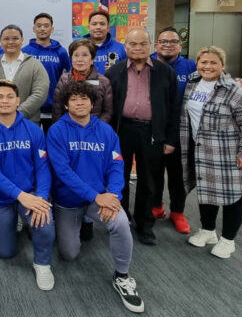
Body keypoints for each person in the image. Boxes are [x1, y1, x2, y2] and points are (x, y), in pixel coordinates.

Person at [48, 81, 145, 313]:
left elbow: (115, 165)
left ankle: (122, 276)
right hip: (68, 201)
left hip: (99, 198)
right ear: (66, 104)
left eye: (84, 99)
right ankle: (79, 223)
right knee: (69, 254)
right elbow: (63, 172)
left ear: (93, 103)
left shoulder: (105, 130)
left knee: (121, 222)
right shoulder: (57, 131)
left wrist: (112, 195)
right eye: (74, 99)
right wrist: (96, 195)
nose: (79, 103)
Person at [0, 79, 55, 291]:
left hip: (30, 194)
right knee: (5, 252)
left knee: (45, 223)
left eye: (10, 97)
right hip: (1, 199)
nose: (5, 101)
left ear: (18, 101)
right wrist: (21, 195)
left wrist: (41, 197)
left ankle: (42, 264)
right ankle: (16, 223)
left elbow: (43, 167)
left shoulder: (33, 130)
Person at [181, 46, 242, 259]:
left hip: (228, 152)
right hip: (202, 150)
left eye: (213, 63)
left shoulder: (234, 90)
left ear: (222, 66)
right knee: (206, 192)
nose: (207, 66)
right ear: (197, 63)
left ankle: (228, 240)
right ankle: (208, 231)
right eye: (203, 62)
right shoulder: (192, 83)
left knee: (233, 195)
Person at [105, 28, 179, 246]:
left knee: (150, 179)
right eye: (132, 44)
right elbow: (108, 108)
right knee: (120, 177)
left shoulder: (165, 73)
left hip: (152, 132)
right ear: (125, 46)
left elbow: (175, 109)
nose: (137, 48)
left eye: (142, 44)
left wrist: (170, 140)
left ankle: (145, 224)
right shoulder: (114, 72)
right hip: (122, 130)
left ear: (151, 46)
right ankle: (122, 220)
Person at [52, 38, 114, 241]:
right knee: (68, 172)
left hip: (95, 137)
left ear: (93, 58)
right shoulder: (64, 79)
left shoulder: (103, 81)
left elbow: (107, 110)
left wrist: (93, 129)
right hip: (67, 136)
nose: (80, 59)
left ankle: (88, 218)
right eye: (76, 55)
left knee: (93, 174)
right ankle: (70, 213)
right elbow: (58, 109)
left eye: (84, 55)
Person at [148, 27, 197, 234]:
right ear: (156, 44)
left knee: (177, 174)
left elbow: (215, 76)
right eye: (163, 41)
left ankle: (178, 211)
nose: (168, 44)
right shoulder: (147, 63)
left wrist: (238, 81)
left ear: (180, 45)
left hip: (181, 130)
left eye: (173, 41)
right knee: (152, 173)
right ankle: (156, 206)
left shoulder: (191, 66)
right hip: (151, 128)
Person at [0, 24, 49, 124]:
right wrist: (2, 114)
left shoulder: (35, 65)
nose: (10, 42)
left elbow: (40, 94)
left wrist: (17, 114)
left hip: (28, 123)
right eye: (6, 39)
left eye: (15, 38)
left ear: (22, 40)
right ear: (0, 41)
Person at [21, 12, 70, 132]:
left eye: (46, 25)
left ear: (52, 29)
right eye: (39, 25)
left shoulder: (61, 52)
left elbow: (69, 76)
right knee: (33, 144)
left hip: (54, 108)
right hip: (31, 108)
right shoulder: (24, 52)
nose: (42, 29)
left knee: (52, 143)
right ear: (34, 29)